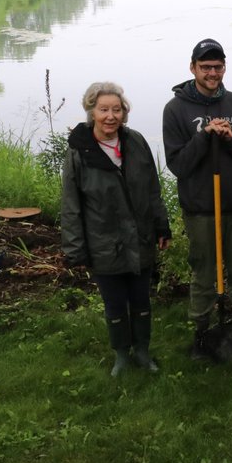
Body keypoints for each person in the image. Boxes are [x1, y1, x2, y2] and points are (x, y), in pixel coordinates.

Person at [162, 38, 232, 359]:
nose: (212, 72)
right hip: (201, 209)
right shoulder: (175, 109)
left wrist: (230, 139)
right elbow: (179, 165)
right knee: (205, 271)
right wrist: (204, 137)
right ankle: (202, 332)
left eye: (217, 66)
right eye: (205, 67)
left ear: (224, 67)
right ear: (193, 68)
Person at [62, 82, 171, 376]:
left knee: (141, 301)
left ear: (124, 113)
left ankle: (143, 353)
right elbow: (71, 206)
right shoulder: (79, 152)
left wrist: (162, 225)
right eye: (103, 109)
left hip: (141, 240)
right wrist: (75, 249)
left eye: (117, 109)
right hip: (103, 243)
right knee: (114, 306)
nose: (110, 116)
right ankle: (121, 355)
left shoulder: (135, 142)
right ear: (91, 112)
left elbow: (152, 190)